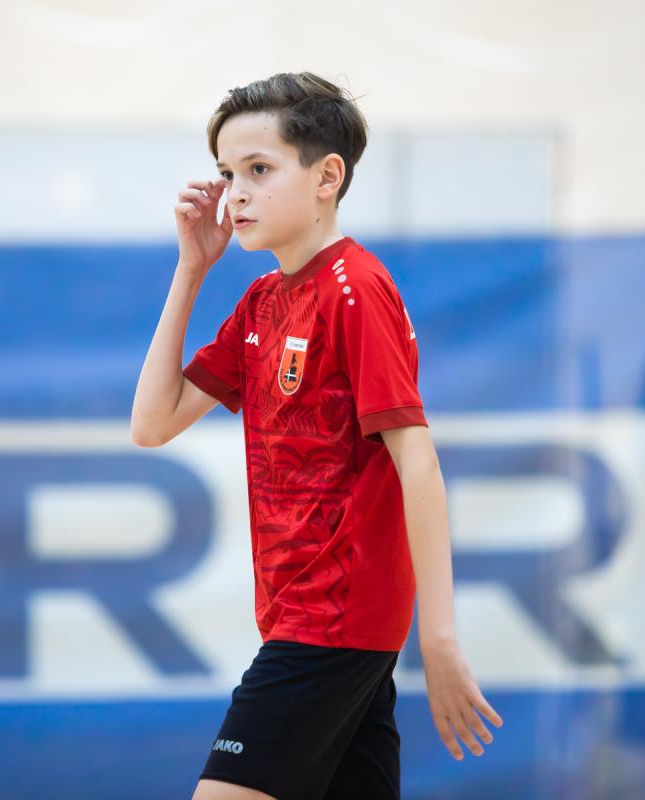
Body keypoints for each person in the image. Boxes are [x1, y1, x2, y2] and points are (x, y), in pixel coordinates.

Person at [131, 72, 502, 800]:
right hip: (306, 620)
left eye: (258, 170)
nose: (235, 194)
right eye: (226, 174)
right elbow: (152, 422)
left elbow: (417, 462)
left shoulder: (354, 289)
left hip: (331, 620)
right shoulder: (263, 301)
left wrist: (438, 639)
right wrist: (190, 269)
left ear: (328, 177)